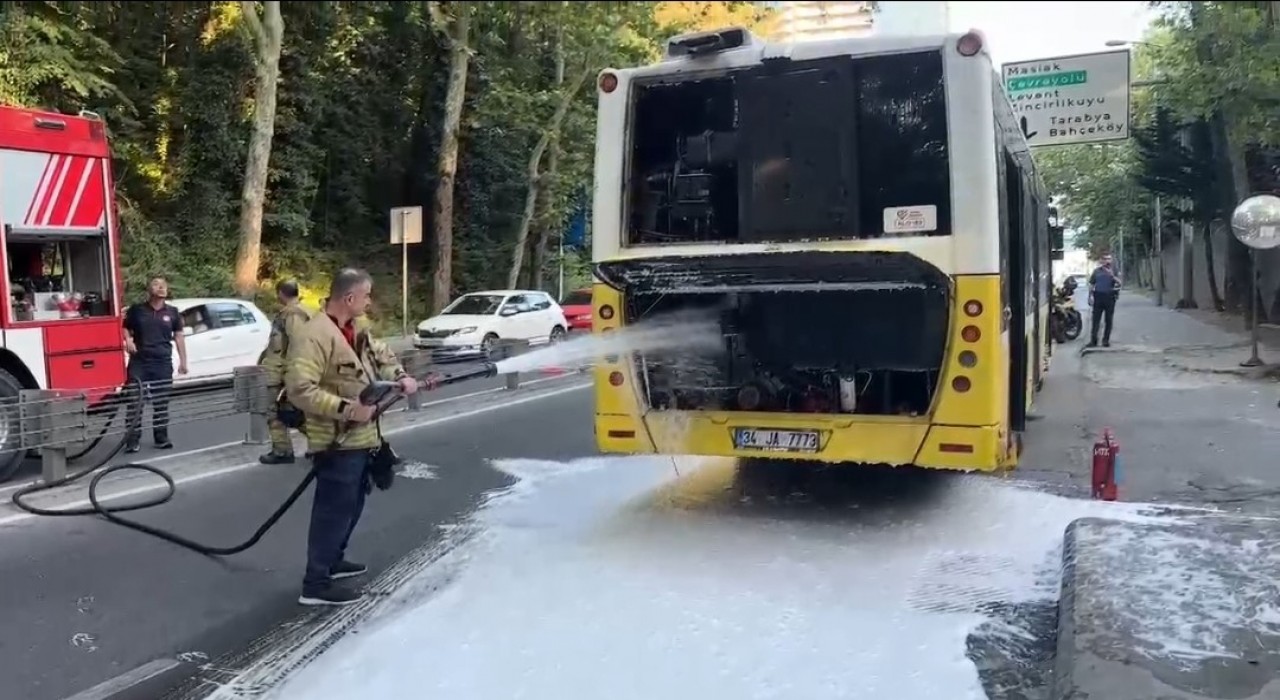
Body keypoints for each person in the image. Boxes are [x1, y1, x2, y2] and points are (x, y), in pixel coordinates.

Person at [285, 268, 423, 606]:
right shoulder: (314, 335)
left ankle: (333, 561)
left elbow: (382, 356)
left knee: (353, 503)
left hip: (363, 437)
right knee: (333, 510)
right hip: (336, 440)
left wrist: (401, 376)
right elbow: (300, 390)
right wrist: (348, 409)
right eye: (366, 295)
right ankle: (315, 584)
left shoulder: (357, 329)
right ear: (349, 298)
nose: (369, 301)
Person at [122, 276, 188, 453]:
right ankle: (132, 440)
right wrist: (128, 340)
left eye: (163, 285)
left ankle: (161, 438)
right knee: (135, 402)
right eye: (156, 284)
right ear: (149, 290)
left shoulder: (172, 312)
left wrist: (183, 362)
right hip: (139, 362)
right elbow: (125, 327)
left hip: (162, 362)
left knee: (161, 402)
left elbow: (179, 337)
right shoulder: (137, 310)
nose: (161, 287)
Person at [259, 280, 312, 465]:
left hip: (282, 373)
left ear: (281, 293)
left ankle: (282, 451)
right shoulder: (298, 312)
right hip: (283, 371)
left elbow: (297, 346)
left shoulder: (293, 315)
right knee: (295, 413)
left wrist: (291, 376)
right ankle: (322, 445)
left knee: (276, 413)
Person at [1087, 254, 1122, 348]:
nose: (1107, 261)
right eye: (1105, 259)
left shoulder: (1114, 271)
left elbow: (1120, 282)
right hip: (1098, 296)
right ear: (1101, 260)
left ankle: (1105, 340)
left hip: (1110, 297)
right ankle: (1093, 340)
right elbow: (1092, 284)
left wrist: (1112, 276)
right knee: (1095, 320)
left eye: (1109, 259)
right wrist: (1090, 296)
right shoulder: (1096, 271)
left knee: (1108, 320)